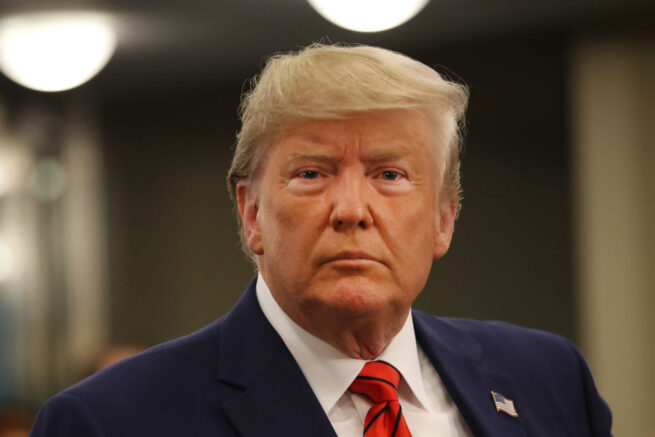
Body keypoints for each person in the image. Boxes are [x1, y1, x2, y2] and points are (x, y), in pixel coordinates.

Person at [30, 43, 612, 436]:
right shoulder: (111, 422)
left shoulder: (549, 379)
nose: (352, 210)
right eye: (312, 174)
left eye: (390, 175)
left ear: (444, 219)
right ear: (252, 213)